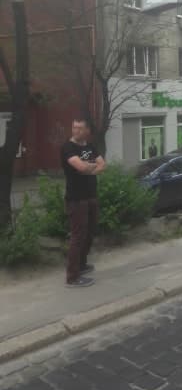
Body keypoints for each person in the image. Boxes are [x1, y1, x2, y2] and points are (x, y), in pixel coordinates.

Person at [61, 118, 106, 287]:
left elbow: (103, 165)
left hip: (91, 196)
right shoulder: (68, 147)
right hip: (76, 198)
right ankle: (72, 277)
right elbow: (81, 167)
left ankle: (81, 265)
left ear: (87, 130)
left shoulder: (90, 146)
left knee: (90, 232)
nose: (76, 131)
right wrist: (91, 166)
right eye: (74, 127)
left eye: (80, 128)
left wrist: (88, 167)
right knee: (78, 236)